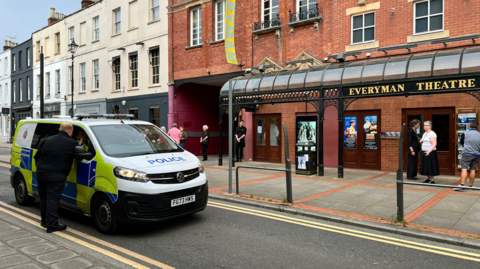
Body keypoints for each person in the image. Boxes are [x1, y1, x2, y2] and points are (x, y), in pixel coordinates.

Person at [34, 122, 84, 233]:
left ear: (60, 130)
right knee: (53, 199)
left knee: (44, 198)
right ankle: (52, 226)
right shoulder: (72, 143)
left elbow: (37, 156)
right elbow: (80, 155)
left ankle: (45, 221)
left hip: (41, 172)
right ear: (70, 132)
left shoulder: (47, 140)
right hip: (56, 175)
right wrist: (80, 144)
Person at [454, 121, 480, 191]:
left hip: (467, 153)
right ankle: (471, 186)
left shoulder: (465, 133)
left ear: (469, 126)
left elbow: (461, 142)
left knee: (464, 168)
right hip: (476, 154)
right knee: (473, 169)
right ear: (477, 126)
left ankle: (462, 185)